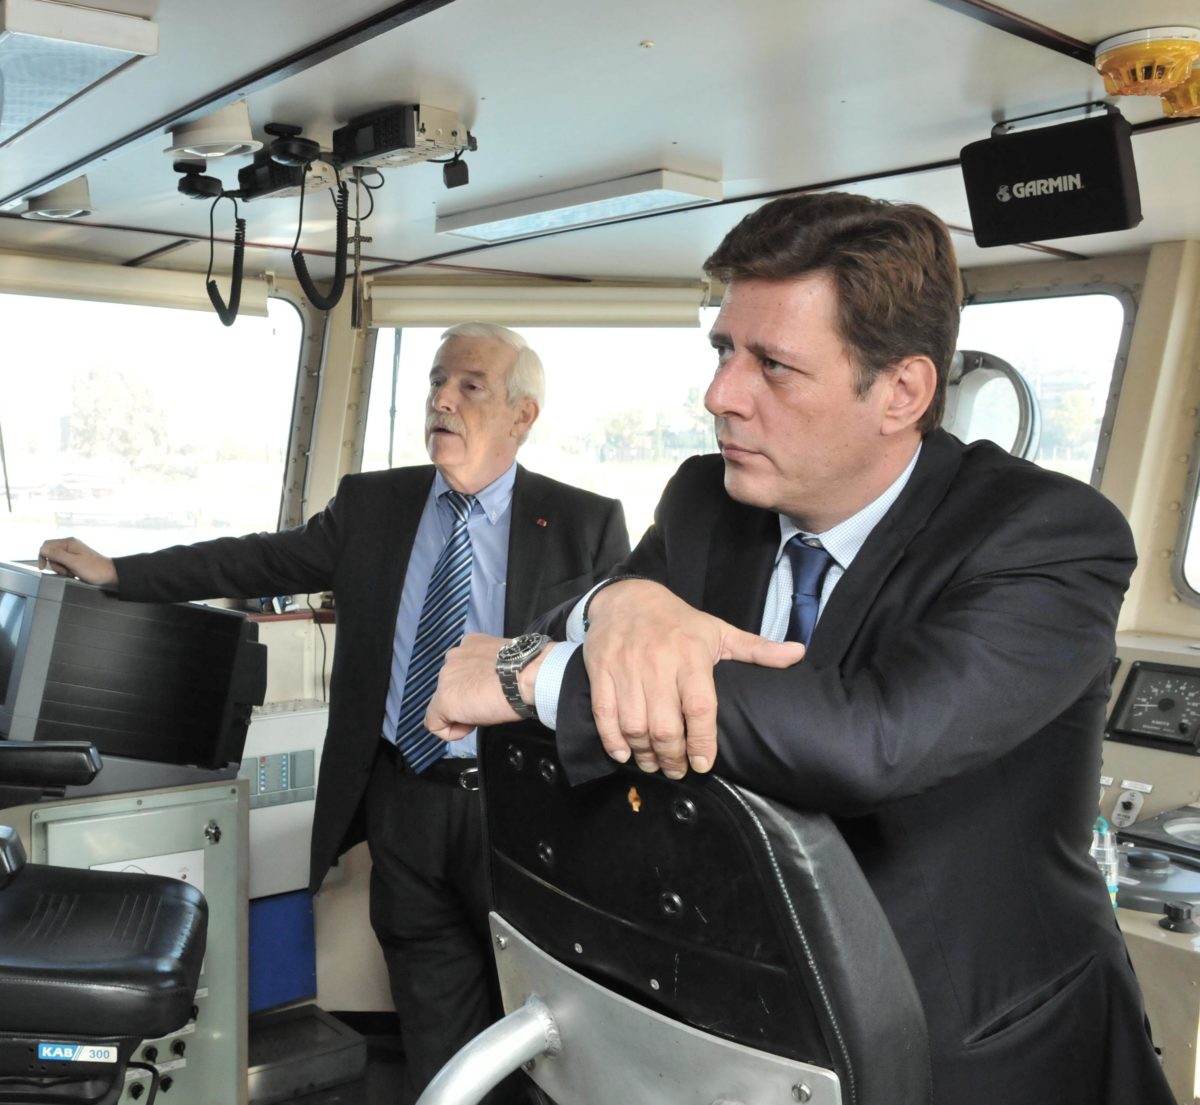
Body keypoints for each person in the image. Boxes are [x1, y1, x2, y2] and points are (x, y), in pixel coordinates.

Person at [424, 195, 1176, 1105]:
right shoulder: (709, 502)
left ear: (901, 392)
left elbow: (870, 740)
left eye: (773, 365)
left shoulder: (1046, 535)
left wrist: (540, 676)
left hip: (979, 1050)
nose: (721, 395)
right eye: (723, 351)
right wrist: (623, 601)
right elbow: (579, 617)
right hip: (753, 1032)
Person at [39, 321, 630, 1105]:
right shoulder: (374, 504)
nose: (442, 400)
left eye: (470, 386)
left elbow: (607, 668)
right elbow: (256, 557)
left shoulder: (585, 523)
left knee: (546, 1021)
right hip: (404, 799)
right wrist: (119, 571)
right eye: (435, 381)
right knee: (433, 1012)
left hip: (520, 811)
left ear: (522, 415)